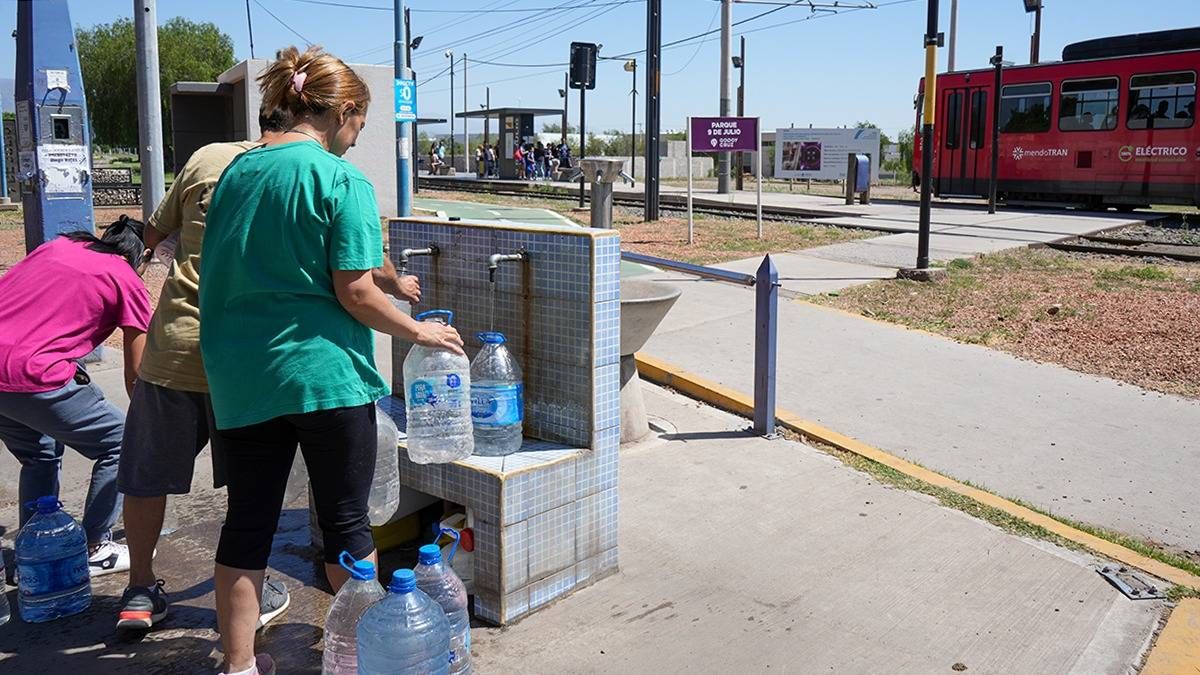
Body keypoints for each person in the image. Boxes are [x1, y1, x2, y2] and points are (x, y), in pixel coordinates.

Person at [198, 46, 463, 675]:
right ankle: (363, 655)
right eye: (358, 128)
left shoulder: (237, 171)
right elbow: (356, 288)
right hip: (325, 377)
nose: (353, 141)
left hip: (242, 377)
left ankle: (238, 664)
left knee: (247, 525)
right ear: (342, 111)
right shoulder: (340, 180)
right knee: (347, 525)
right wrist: (417, 333)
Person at [0, 216, 151, 577]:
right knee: (122, 442)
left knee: (40, 454)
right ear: (143, 256)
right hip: (34, 374)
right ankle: (95, 545)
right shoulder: (126, 278)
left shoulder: (60, 246)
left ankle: (33, 553)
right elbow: (137, 372)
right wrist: (147, 421)